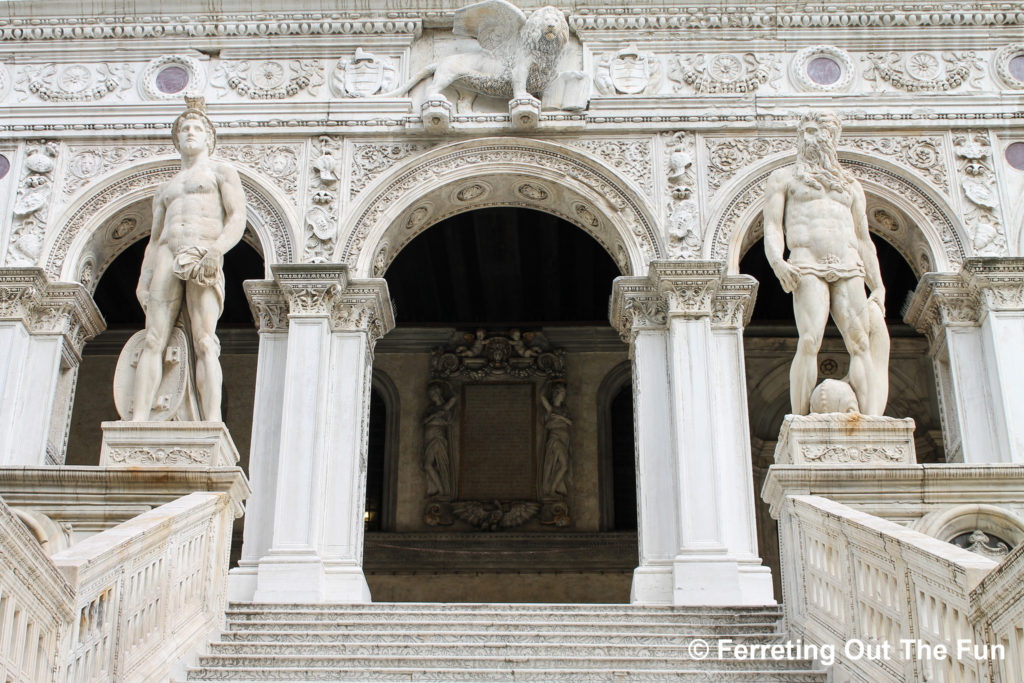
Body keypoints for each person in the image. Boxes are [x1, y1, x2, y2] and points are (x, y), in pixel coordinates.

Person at [762, 111, 890, 416]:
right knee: (809, 340)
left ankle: (870, 418)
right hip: (807, 264)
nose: (808, 139)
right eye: (804, 132)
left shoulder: (851, 186)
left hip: (849, 266)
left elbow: (863, 239)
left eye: (815, 132)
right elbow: (772, 226)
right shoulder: (785, 179)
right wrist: (777, 261)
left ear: (831, 137)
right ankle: (800, 419)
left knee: (859, 343)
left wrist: (879, 285)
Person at [132, 96, 245, 421]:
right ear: (177, 139)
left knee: (205, 340)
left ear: (209, 139)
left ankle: (211, 421)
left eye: (197, 128)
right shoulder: (165, 187)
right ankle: (139, 418)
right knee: (153, 338)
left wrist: (216, 250)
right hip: (168, 254)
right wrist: (144, 277)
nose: (191, 133)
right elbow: (155, 239)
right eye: (185, 129)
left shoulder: (221, 172)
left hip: (202, 252)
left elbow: (237, 217)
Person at [422, 382, 457, 498]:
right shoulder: (431, 408)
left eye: (433, 393)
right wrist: (432, 416)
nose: (431, 396)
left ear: (438, 393)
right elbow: (424, 421)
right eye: (430, 394)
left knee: (428, 465)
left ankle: (442, 491)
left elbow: (454, 399)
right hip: (429, 436)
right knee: (430, 465)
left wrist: (441, 412)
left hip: (438, 437)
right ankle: (436, 490)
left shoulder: (445, 408)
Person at [540, 382, 572, 498]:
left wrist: (559, 417)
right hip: (556, 439)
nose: (564, 395)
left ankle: (553, 490)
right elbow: (542, 397)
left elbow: (570, 422)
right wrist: (547, 383)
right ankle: (551, 490)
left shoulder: (564, 410)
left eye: (565, 393)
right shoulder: (551, 409)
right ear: (557, 394)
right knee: (564, 465)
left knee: (562, 465)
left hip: (565, 439)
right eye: (563, 393)